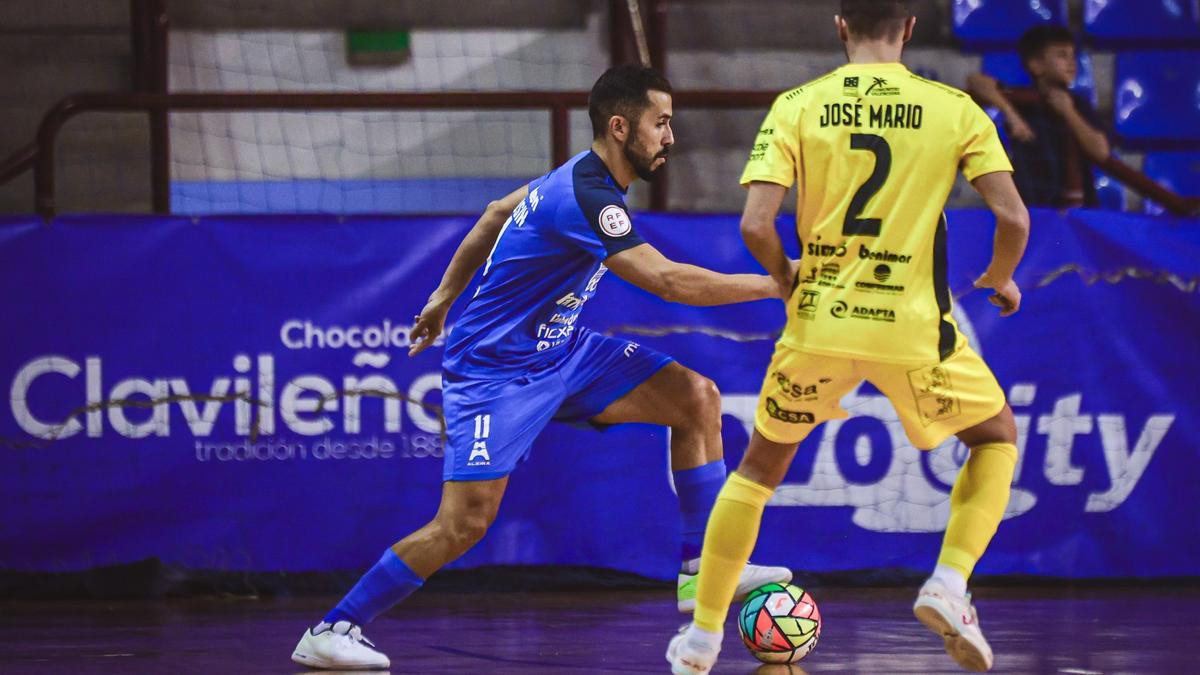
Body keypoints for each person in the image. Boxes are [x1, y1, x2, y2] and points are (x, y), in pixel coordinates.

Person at [290, 64, 792, 670]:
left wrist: (444, 295)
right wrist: (776, 282)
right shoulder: (584, 194)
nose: (670, 136)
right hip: (495, 372)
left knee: (696, 397)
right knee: (464, 524)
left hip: (562, 352)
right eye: (660, 123)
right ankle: (332, 628)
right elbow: (666, 279)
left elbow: (495, 213)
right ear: (619, 125)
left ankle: (699, 571)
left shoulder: (578, 177)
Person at [667, 1, 1030, 673]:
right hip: (914, 327)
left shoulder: (798, 105)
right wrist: (1001, 278)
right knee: (995, 437)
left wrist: (784, 275)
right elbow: (1012, 215)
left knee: (754, 475)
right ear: (910, 27)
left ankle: (700, 641)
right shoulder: (955, 109)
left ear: (840, 25)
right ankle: (950, 582)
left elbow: (754, 225)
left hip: (820, 321)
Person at [967, 25, 1110, 208]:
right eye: (1061, 55)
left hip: (1076, 212)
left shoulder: (1078, 104)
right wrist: (1011, 114)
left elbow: (1101, 152)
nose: (1072, 62)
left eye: (1072, 55)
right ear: (1036, 65)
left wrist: (1069, 112)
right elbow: (976, 81)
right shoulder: (1023, 100)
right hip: (1033, 206)